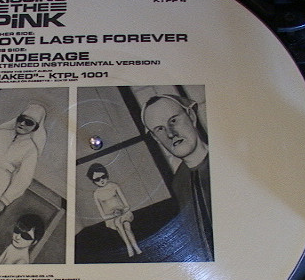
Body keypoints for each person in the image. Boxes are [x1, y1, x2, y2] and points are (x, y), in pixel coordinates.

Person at [141, 94, 213, 260]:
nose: (170, 133)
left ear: (191, 116)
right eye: (160, 129)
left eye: (173, 120)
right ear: (155, 138)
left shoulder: (225, 164)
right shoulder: (179, 182)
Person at [0, 103, 46, 238]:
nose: (22, 124)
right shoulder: (0, 133)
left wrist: (4, 200)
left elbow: (24, 178)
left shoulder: (31, 150)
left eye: (29, 122)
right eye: (21, 119)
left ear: (35, 128)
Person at [87, 163, 142, 258]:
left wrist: (121, 211)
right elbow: (103, 216)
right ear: (93, 181)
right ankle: (130, 246)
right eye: (97, 179)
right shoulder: (96, 194)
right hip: (111, 218)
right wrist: (114, 215)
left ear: (107, 175)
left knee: (125, 225)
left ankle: (133, 247)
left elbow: (127, 205)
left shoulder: (114, 186)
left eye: (103, 177)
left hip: (124, 213)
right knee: (119, 223)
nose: (101, 180)